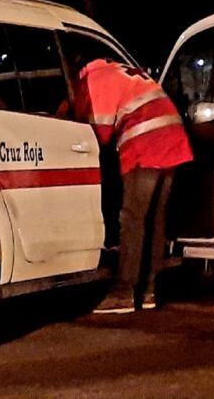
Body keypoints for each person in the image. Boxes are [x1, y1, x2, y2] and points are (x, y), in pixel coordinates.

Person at [73, 59, 193, 314]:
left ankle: (123, 292)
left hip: (146, 142)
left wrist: (75, 116)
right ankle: (149, 290)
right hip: (172, 136)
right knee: (156, 219)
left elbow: (101, 133)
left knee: (133, 219)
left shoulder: (93, 80)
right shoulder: (120, 71)